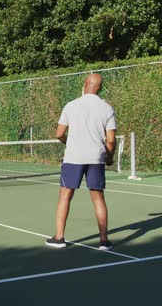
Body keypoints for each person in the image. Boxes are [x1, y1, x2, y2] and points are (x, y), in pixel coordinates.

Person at [45, 73, 116, 251]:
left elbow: (59, 133)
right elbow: (111, 140)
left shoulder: (71, 105)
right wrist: (109, 157)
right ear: (100, 87)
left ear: (85, 84)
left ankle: (59, 237)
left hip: (73, 158)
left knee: (65, 196)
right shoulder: (107, 108)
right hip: (96, 158)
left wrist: (69, 143)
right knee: (98, 197)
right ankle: (104, 241)